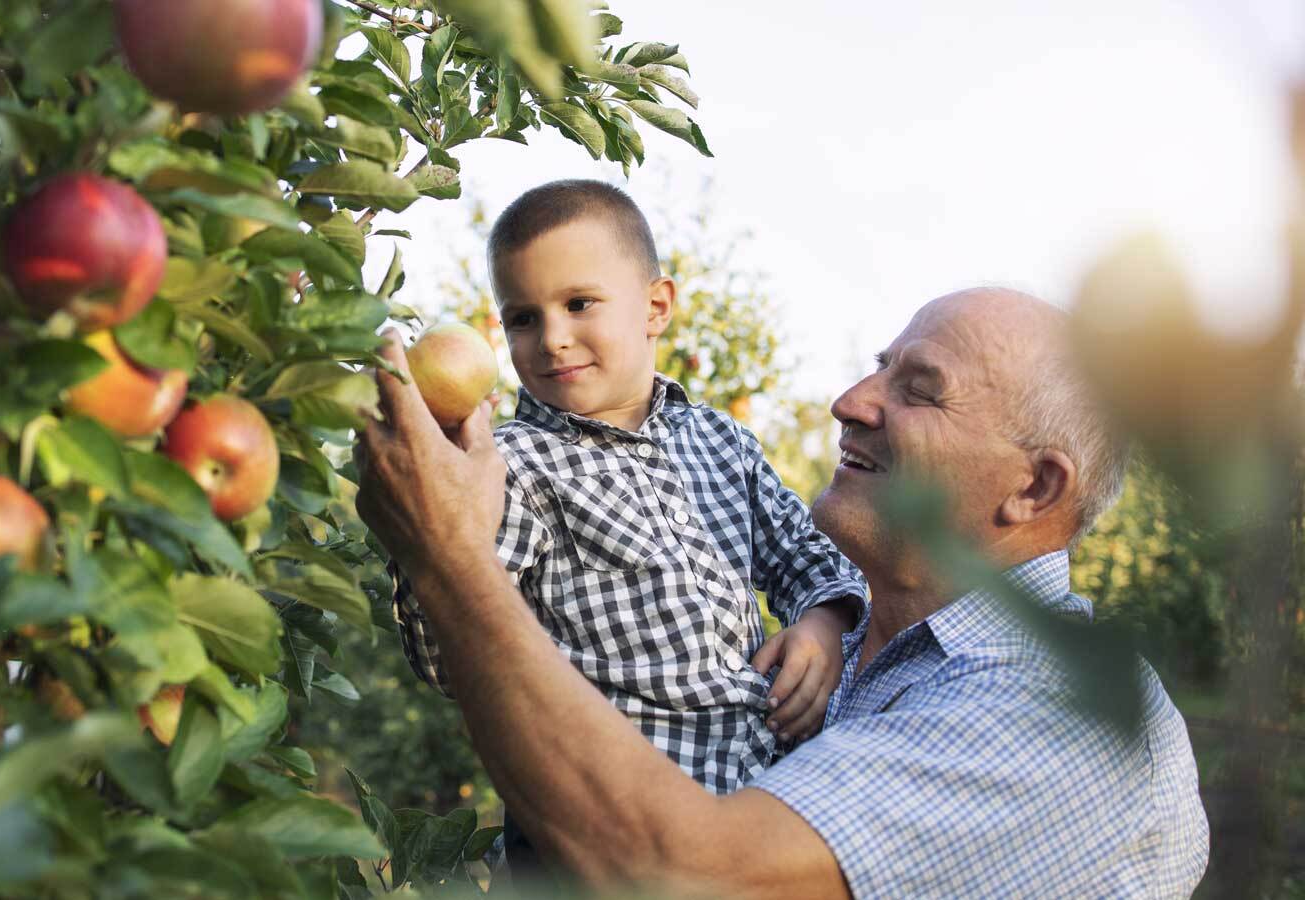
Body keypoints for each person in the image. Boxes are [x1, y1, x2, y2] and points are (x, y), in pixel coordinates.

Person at [355, 288, 1210, 897]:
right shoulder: (851, 649)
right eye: (878, 368)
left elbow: (687, 877)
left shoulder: (1059, 716)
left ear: (1032, 490)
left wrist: (448, 554)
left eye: (920, 391)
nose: (849, 401)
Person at [388, 181, 867, 869]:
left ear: (655, 307)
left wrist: (826, 621)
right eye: (522, 318)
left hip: (756, 808)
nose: (553, 338)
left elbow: (807, 553)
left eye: (579, 304)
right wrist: (425, 511)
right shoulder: (512, 465)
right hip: (600, 831)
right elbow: (447, 656)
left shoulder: (721, 443)